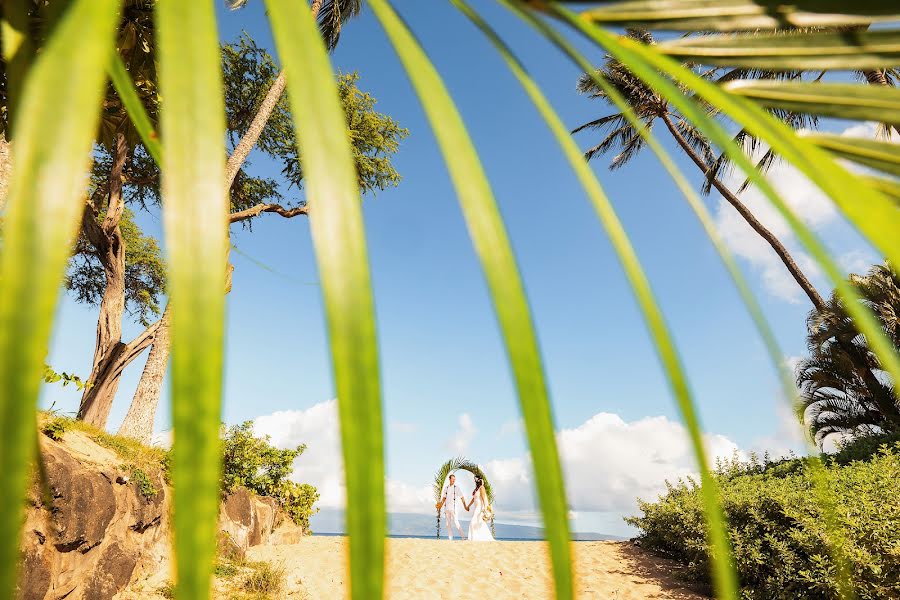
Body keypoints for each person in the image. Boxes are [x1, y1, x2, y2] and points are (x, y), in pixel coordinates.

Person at [435, 473, 467, 540]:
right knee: (447, 524)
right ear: (449, 479)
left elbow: (462, 497)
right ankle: (450, 538)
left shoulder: (457, 488)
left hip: (454, 509)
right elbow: (444, 498)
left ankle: (463, 537)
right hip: (447, 508)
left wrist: (465, 506)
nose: (453, 480)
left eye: (454, 479)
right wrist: (440, 506)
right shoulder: (446, 488)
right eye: (452, 479)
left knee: (456, 522)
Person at [463, 476, 494, 542]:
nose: (475, 481)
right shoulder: (476, 489)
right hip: (476, 508)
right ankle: (478, 538)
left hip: (480, 508)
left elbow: (483, 498)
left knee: (473, 521)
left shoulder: (481, 488)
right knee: (479, 523)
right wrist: (468, 506)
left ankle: (472, 538)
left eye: (476, 480)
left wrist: (485, 508)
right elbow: (473, 499)